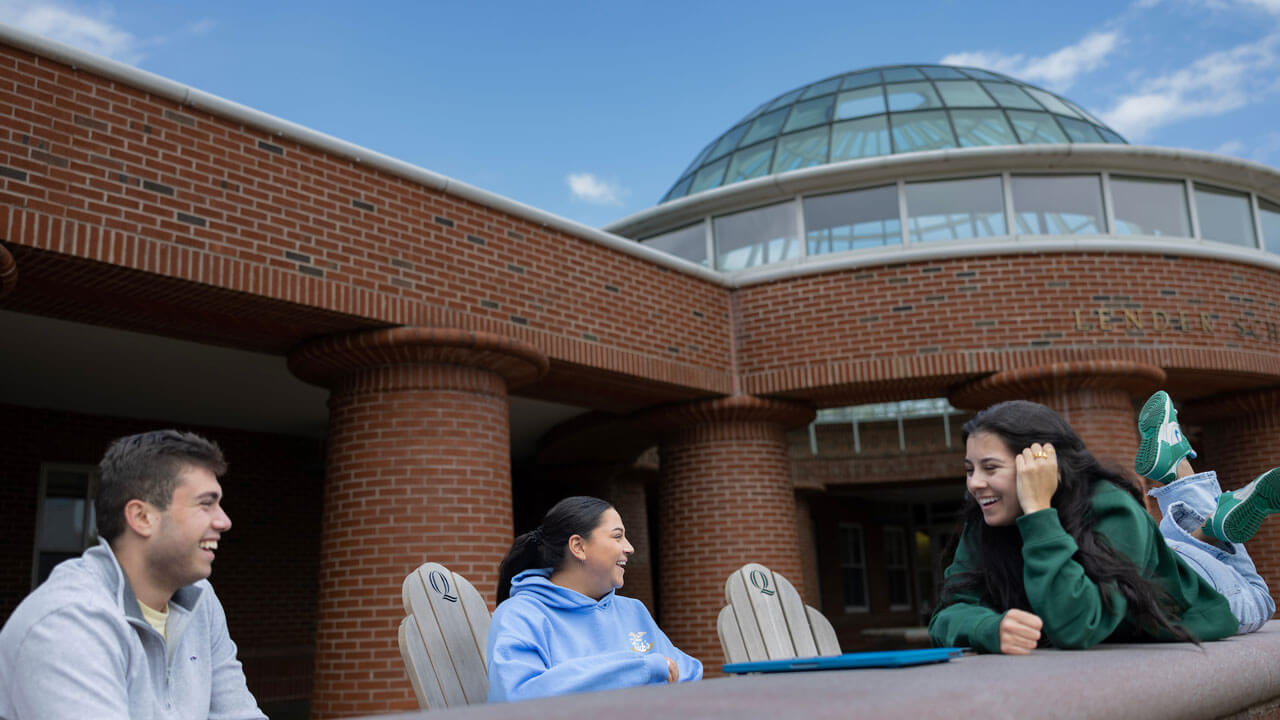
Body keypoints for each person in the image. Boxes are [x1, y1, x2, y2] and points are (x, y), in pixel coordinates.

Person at [930, 392, 1277, 654]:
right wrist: (988, 627)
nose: (974, 483)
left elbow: (1076, 624)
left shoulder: (1111, 507)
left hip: (1210, 587)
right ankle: (1204, 508)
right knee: (1162, 544)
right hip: (1148, 557)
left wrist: (1037, 510)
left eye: (990, 468)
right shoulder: (987, 520)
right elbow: (947, 613)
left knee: (1260, 595)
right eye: (970, 469)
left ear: (1041, 465)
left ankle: (1206, 508)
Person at [0, 430, 264, 719]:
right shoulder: (66, 623)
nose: (224, 521)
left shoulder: (200, 598)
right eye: (205, 503)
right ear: (141, 517)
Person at [487, 496, 702, 702]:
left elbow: (687, 675)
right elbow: (519, 697)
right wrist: (641, 670)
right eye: (617, 536)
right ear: (579, 547)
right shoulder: (519, 615)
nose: (629, 547)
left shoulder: (633, 610)